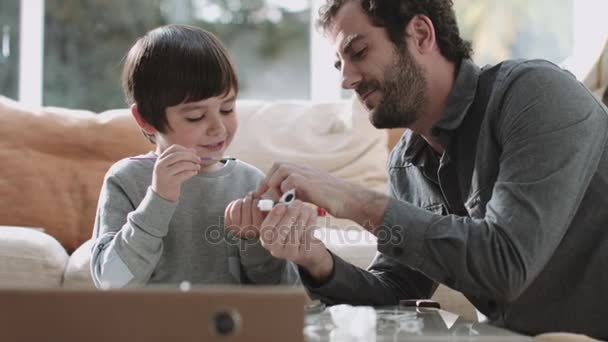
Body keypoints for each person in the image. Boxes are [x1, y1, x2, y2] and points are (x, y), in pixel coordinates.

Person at [226, 0, 608, 339]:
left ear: (421, 33)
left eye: (358, 51)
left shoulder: (535, 95)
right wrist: (315, 259)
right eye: (340, 64)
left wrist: (351, 199)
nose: (346, 79)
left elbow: (505, 263)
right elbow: (396, 292)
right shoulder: (407, 163)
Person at [90, 24, 300, 288]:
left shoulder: (251, 183)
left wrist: (253, 242)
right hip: (152, 329)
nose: (218, 128)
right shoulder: (126, 180)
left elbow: (282, 292)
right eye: (195, 116)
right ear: (145, 119)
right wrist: (157, 201)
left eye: (227, 109)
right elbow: (112, 282)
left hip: (235, 328)